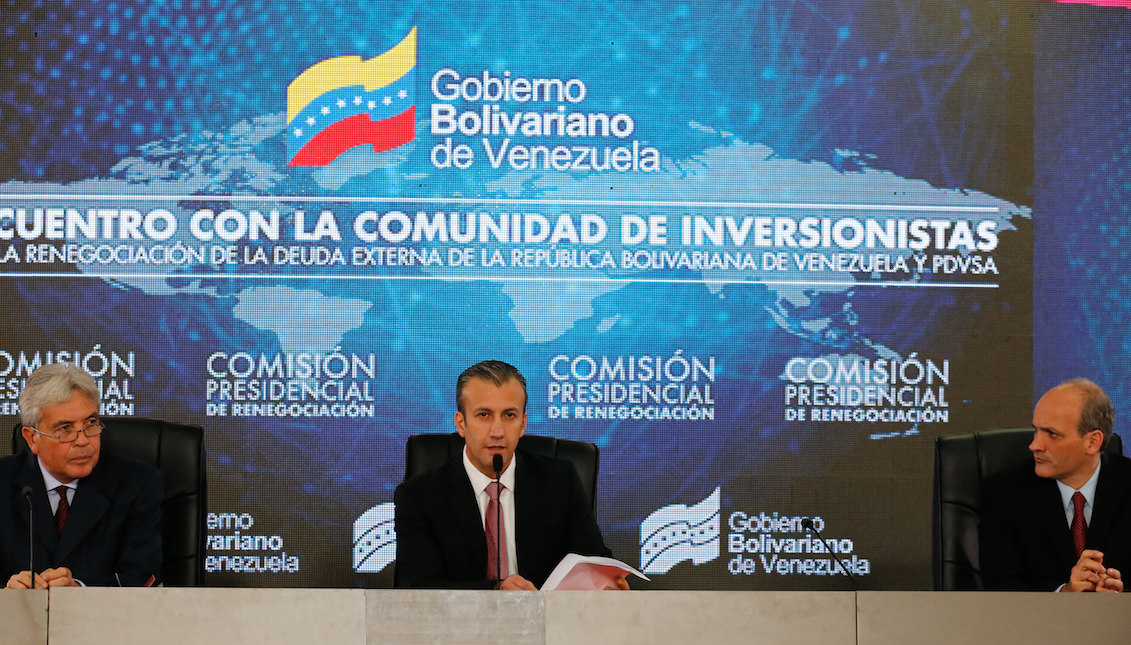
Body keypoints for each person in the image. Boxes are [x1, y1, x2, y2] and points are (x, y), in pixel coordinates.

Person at [394, 360, 626, 590]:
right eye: (484, 415)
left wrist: (607, 583)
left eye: (509, 415)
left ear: (523, 424)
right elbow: (415, 587)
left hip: (548, 623)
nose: (498, 431)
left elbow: (594, 560)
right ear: (461, 423)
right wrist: (495, 592)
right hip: (458, 624)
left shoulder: (560, 481)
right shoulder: (419, 496)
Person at [1, 362, 162, 589]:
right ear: (32, 438)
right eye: (65, 428)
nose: (83, 439)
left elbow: (143, 579)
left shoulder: (137, 485)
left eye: (91, 423)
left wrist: (79, 590)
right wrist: (6, 595)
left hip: (103, 622)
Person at [980, 378, 1131, 592]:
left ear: (1092, 442)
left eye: (1052, 434)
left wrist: (1121, 596)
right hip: (1037, 625)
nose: (1034, 445)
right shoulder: (1004, 494)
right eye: (1036, 430)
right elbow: (1002, 589)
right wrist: (1065, 593)